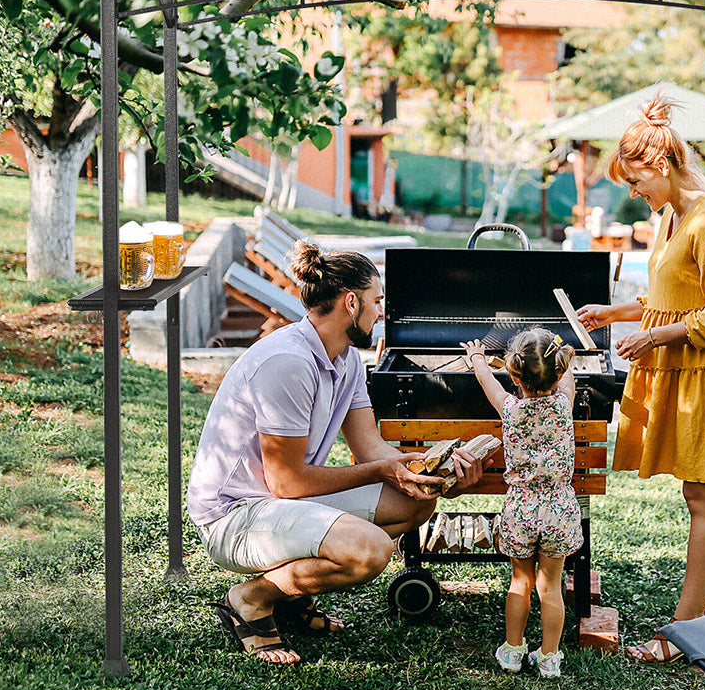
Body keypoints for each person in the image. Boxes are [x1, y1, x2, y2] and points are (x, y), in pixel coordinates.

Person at [187, 240, 483, 664]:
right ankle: (251, 599)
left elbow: (370, 449)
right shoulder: (288, 362)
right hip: (235, 516)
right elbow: (288, 482)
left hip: (279, 504)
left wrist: (433, 473)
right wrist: (382, 470)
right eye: (376, 302)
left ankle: (291, 596)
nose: (380, 312)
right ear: (351, 302)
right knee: (369, 550)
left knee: (415, 503)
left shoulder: (345, 360)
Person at [576, 93, 705, 664]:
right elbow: (671, 297)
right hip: (697, 365)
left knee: (703, 496)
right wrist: (615, 313)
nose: (634, 193)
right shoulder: (670, 217)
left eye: (637, 181)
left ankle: (683, 633)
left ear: (662, 166)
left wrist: (656, 338)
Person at [460, 328, 583, 680]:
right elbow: (566, 375)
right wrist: (563, 357)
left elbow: (488, 384)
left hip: (521, 509)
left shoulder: (510, 410)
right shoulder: (563, 405)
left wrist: (479, 359)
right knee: (550, 586)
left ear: (515, 376)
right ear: (557, 373)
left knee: (520, 582)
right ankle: (549, 657)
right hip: (559, 511)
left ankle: (513, 651)